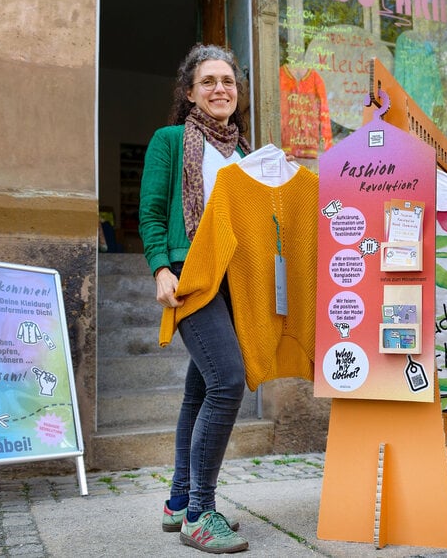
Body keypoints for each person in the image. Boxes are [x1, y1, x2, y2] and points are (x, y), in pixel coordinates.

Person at [139, 43, 252, 554]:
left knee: (201, 390)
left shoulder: (248, 155)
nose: (219, 89)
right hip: (191, 278)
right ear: (189, 92)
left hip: (237, 285)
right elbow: (151, 213)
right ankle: (201, 513)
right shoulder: (168, 141)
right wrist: (161, 267)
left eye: (227, 81)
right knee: (228, 381)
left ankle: (178, 501)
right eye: (208, 81)